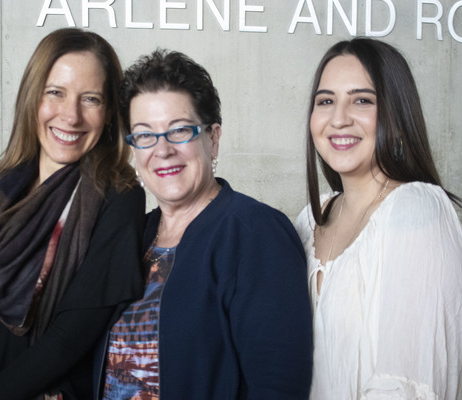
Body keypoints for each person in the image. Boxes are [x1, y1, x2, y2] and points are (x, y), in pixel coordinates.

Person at [0, 28, 145, 399]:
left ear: (109, 114)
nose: (71, 116)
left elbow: (67, 340)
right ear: (33, 97)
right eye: (55, 92)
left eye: (90, 99)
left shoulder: (118, 200)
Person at [93, 49, 313, 399]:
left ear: (212, 138)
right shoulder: (133, 235)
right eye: (145, 135)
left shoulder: (255, 232)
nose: (162, 150)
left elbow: (277, 386)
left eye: (179, 131)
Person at [294, 38, 462, 399]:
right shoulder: (309, 219)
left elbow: (409, 386)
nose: (339, 119)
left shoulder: (418, 208)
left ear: (397, 118)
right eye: (326, 101)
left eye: (362, 100)